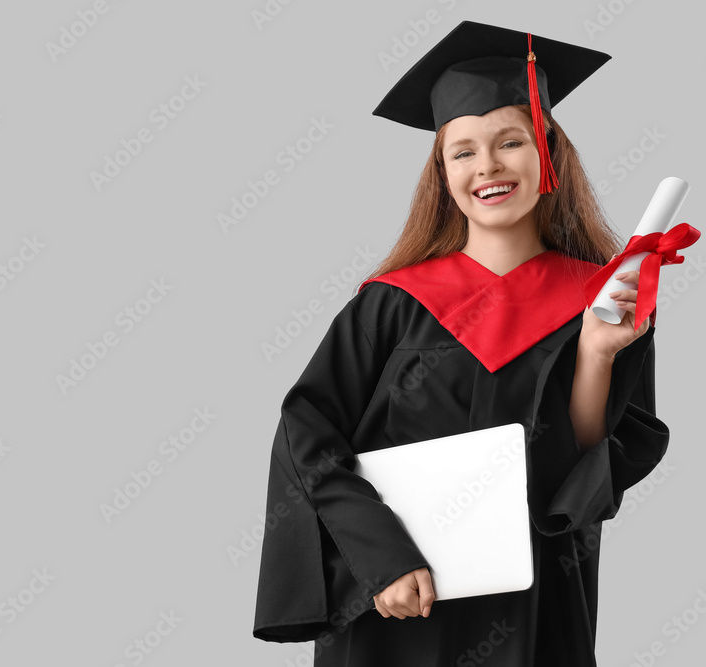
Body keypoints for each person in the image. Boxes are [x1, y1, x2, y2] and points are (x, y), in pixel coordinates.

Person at [251, 21, 675, 666]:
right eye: (464, 151)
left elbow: (588, 474)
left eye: (511, 141)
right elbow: (305, 434)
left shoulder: (604, 302)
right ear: (443, 172)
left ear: (549, 153)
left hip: (532, 604)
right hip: (396, 601)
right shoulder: (391, 305)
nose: (488, 167)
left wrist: (594, 352)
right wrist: (379, 558)